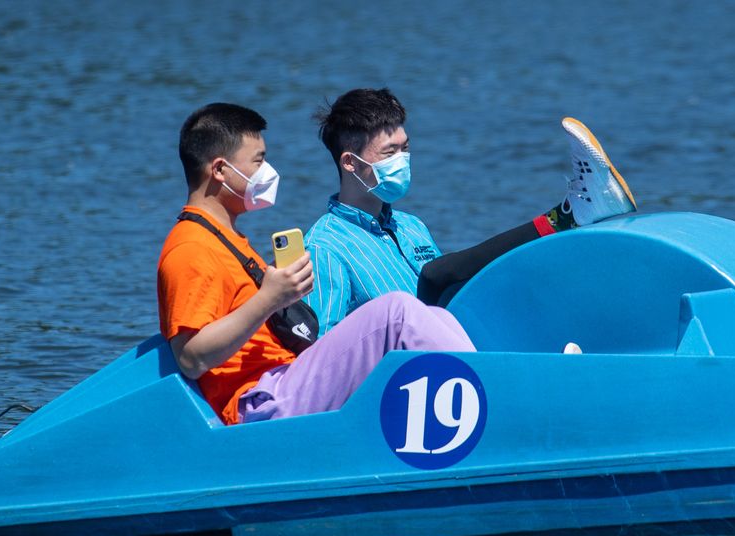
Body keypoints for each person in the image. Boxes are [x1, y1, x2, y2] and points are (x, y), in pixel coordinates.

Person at [157, 102, 476, 426]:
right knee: (397, 312)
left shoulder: (226, 240)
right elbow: (191, 357)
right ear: (221, 170)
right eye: (259, 160)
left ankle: (480, 390)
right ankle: (490, 396)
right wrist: (270, 298)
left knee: (435, 315)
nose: (268, 171)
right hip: (259, 402)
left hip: (285, 379)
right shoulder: (191, 247)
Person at [305, 88, 637, 333]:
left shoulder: (410, 226)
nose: (402, 160)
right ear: (350, 162)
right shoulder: (324, 247)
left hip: (456, 346)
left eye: (406, 148)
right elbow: (321, 353)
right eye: (390, 152)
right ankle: (567, 215)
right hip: (403, 382)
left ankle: (577, 227)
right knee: (437, 277)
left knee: (515, 280)